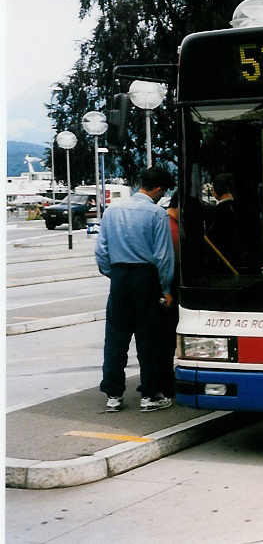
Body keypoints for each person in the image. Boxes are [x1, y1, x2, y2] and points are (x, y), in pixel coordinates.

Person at [95, 166, 175, 412]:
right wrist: (166, 288)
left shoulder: (112, 211)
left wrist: (114, 273)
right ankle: (149, 394)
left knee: (116, 338)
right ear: (159, 189)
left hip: (119, 278)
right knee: (148, 339)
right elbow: (163, 256)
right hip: (146, 277)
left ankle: (113, 395)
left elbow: (101, 251)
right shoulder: (156, 214)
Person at [158, 191, 180, 399]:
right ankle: (164, 382)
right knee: (167, 339)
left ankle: (158, 380)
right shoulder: (172, 228)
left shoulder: (164, 222)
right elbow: (167, 261)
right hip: (169, 289)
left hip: (160, 288)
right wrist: (166, 291)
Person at [206, 173, 241, 271]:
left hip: (222, 261)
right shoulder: (241, 209)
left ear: (217, 189)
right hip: (241, 260)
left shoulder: (217, 211)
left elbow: (212, 238)